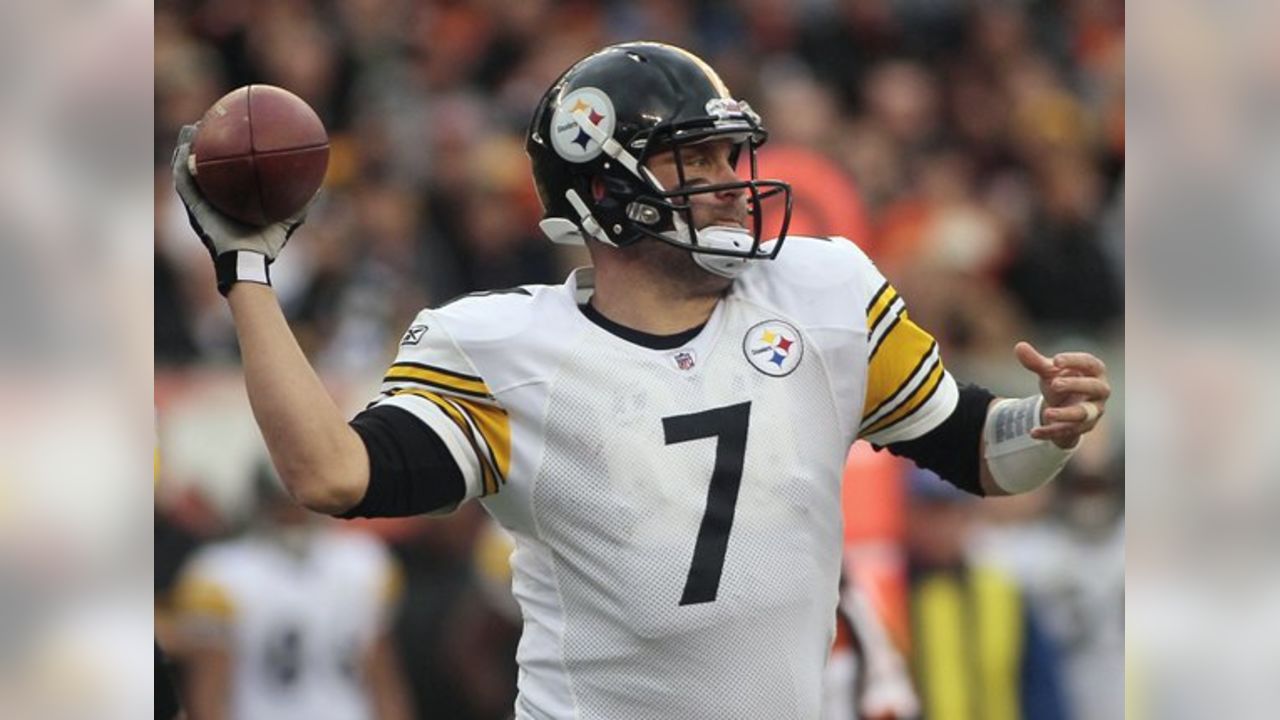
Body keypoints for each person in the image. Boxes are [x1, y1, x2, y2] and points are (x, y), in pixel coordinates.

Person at [171, 41, 1110, 720]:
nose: (730, 181)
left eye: (724, 154)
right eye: (693, 160)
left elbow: (978, 454)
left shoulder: (821, 290)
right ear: (606, 192)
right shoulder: (505, 351)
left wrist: (1046, 426)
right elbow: (333, 474)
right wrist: (247, 276)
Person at [170, 466, 412, 720]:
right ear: (262, 505)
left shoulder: (362, 561)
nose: (293, 513)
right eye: (282, 503)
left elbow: (383, 677)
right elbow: (210, 690)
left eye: (298, 502)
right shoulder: (222, 573)